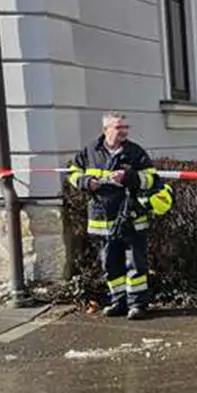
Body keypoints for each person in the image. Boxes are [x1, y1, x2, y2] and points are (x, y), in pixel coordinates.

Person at [67, 112, 171, 320]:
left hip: (131, 217)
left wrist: (129, 177)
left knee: (136, 265)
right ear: (106, 130)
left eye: (126, 127)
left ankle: (138, 305)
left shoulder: (135, 152)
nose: (124, 131)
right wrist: (86, 182)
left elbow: (152, 179)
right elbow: (73, 173)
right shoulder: (90, 151)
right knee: (110, 265)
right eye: (118, 127)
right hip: (103, 218)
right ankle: (119, 302)